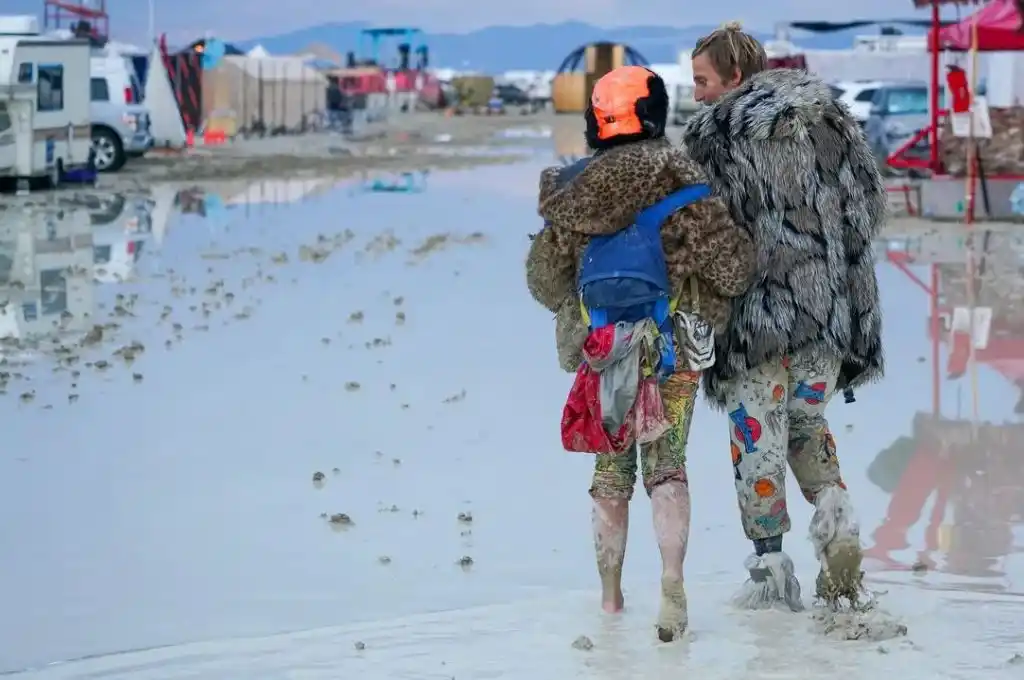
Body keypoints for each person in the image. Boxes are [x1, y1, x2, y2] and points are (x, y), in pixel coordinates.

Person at [526, 66, 756, 640]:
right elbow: (731, 268)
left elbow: (544, 281)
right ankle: (673, 585)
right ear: (652, 113)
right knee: (668, 464)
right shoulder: (682, 177)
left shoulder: (571, 188)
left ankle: (609, 602)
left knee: (611, 471)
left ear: (596, 119)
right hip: (673, 348)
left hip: (601, 350)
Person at [681, 23, 888, 609]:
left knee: (757, 440)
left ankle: (771, 570)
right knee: (807, 427)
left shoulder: (716, 136)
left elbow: (704, 239)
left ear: (735, 77)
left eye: (702, 80)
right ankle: (838, 524)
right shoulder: (832, 121)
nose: (695, 94)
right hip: (828, 316)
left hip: (757, 322)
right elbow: (867, 211)